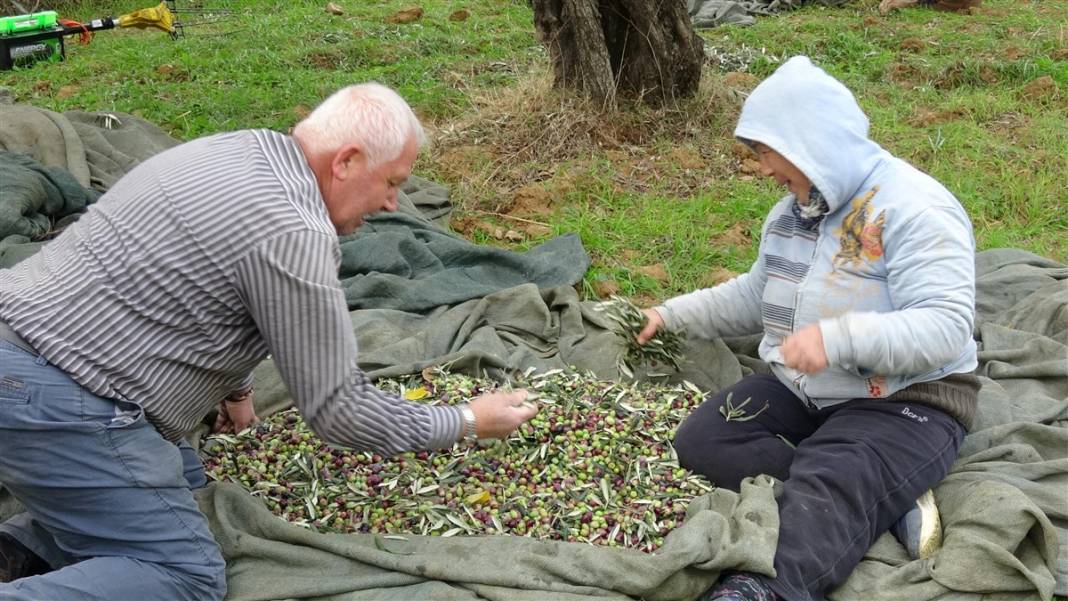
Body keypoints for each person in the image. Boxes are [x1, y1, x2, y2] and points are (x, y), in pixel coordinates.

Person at [0, 83, 539, 600]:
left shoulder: (234, 148)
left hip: (23, 344)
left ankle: (21, 548)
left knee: (185, 484)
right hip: (55, 393)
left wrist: (234, 390)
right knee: (184, 575)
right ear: (347, 161)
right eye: (392, 182)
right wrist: (467, 421)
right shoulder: (294, 231)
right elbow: (340, 412)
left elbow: (197, 283)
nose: (395, 204)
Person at [637, 56, 979, 601]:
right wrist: (670, 314)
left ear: (811, 144)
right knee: (704, 439)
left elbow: (945, 326)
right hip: (807, 387)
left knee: (830, 480)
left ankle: (761, 588)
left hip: (905, 397)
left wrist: (837, 340)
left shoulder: (916, 208)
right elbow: (756, 294)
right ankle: (884, 496)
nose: (764, 169)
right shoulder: (794, 213)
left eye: (768, 153)